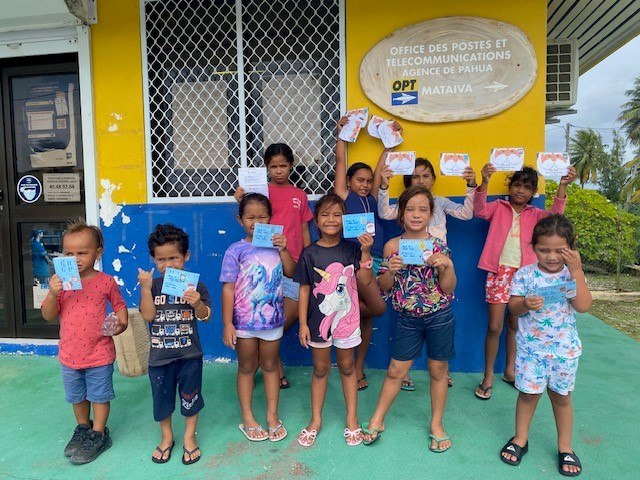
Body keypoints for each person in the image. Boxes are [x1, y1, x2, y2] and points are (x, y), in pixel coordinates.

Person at [361, 186, 457, 453]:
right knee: (395, 371)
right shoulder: (393, 246)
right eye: (410, 209)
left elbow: (449, 288)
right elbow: (384, 286)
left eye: (423, 209)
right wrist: (389, 271)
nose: (416, 215)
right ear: (401, 214)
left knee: (438, 371)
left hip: (439, 316)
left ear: (431, 214)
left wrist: (446, 267)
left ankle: (436, 424)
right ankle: (378, 419)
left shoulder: (439, 246)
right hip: (408, 318)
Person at [473, 164, 577, 400]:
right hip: (499, 272)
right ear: (510, 187)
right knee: (494, 326)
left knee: (515, 324)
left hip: (524, 276)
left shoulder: (536, 214)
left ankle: (510, 371)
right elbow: (479, 210)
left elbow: (556, 215)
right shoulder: (497, 207)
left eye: (527, 187)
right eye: (517, 185)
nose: (521, 190)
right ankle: (488, 376)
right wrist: (485, 181)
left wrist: (562, 186)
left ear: (533, 193)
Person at [376, 152, 477, 390]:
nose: (421, 180)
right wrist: (383, 187)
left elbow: (466, 213)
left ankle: (442, 371)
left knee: (438, 319)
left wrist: (471, 186)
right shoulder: (402, 210)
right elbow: (384, 212)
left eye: (426, 176)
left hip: (437, 265)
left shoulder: (440, 202)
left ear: (433, 179)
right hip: (409, 270)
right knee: (407, 317)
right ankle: (405, 371)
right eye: (415, 176)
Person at [500, 214, 591, 477]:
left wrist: (576, 271)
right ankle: (520, 439)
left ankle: (565, 446)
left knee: (562, 398)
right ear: (534, 248)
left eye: (559, 250)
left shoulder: (572, 275)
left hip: (564, 351)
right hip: (531, 350)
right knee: (528, 395)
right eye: (544, 250)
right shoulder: (525, 275)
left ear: (571, 249)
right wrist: (525, 304)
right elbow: (513, 309)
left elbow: (583, 306)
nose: (551, 256)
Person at [41, 219, 128, 464]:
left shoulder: (106, 282)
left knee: (99, 395)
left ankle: (99, 433)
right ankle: (82, 428)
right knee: (76, 396)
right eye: (69, 253)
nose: (75, 258)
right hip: (69, 353)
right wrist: (53, 292)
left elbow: (121, 308)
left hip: (99, 352)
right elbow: (48, 315)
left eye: (83, 252)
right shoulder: (61, 284)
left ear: (97, 253)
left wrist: (120, 324)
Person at [294, 194, 376, 447]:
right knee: (320, 370)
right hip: (318, 323)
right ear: (316, 221)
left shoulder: (353, 249)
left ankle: (352, 418)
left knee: (348, 367)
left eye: (337, 214)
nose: (331, 220)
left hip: (347, 323)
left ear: (346, 219)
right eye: (325, 215)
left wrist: (365, 251)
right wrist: (303, 324)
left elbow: (364, 281)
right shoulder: (309, 254)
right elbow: (305, 290)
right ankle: (316, 420)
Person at [234, 143, 313, 388]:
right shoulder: (261, 191)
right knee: (269, 314)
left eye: (283, 166)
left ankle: (263, 361)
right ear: (267, 168)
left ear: (291, 166)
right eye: (273, 166)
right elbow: (249, 214)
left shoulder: (299, 194)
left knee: (284, 317)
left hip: (293, 262)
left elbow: (303, 228)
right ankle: (274, 370)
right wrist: (240, 198)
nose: (279, 171)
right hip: (265, 261)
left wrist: (308, 256)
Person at [219, 194, 296, 442]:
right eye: (250, 217)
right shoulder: (235, 250)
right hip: (244, 324)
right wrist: (228, 323)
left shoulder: (276, 246)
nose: (256, 221)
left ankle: (273, 416)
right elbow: (228, 288)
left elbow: (292, 271)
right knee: (247, 368)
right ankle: (248, 417)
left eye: (262, 216)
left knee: (271, 366)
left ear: (270, 219)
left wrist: (284, 249)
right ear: (240, 219)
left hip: (273, 321)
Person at [138, 224, 212, 465]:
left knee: (190, 398)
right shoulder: (154, 286)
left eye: (173, 258)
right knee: (162, 401)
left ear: (186, 256)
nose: (167, 264)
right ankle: (167, 437)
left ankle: (190, 438)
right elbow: (148, 316)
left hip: (190, 355)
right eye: (161, 259)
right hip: (159, 358)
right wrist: (145, 288)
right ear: (154, 259)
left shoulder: (196, 286)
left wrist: (197, 303)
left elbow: (206, 316)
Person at [335, 117, 387, 391]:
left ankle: (359, 368)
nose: (366, 185)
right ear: (349, 182)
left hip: (375, 259)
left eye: (368, 181)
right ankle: (347, 366)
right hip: (350, 261)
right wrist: (342, 135)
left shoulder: (374, 197)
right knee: (351, 314)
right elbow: (341, 164)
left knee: (367, 316)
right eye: (360, 180)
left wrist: (388, 142)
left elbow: (380, 171)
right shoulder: (344, 195)